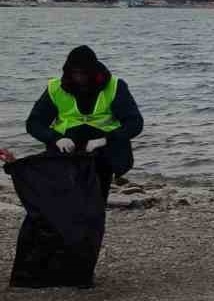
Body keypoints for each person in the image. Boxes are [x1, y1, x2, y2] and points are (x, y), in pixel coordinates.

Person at [26, 45, 145, 203]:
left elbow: (135, 123)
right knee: (65, 200)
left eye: (83, 73)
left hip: (102, 150)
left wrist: (106, 139)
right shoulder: (55, 88)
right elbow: (34, 123)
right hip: (66, 149)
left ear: (93, 72)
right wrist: (56, 138)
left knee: (96, 199)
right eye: (74, 73)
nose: (79, 77)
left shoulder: (115, 86)